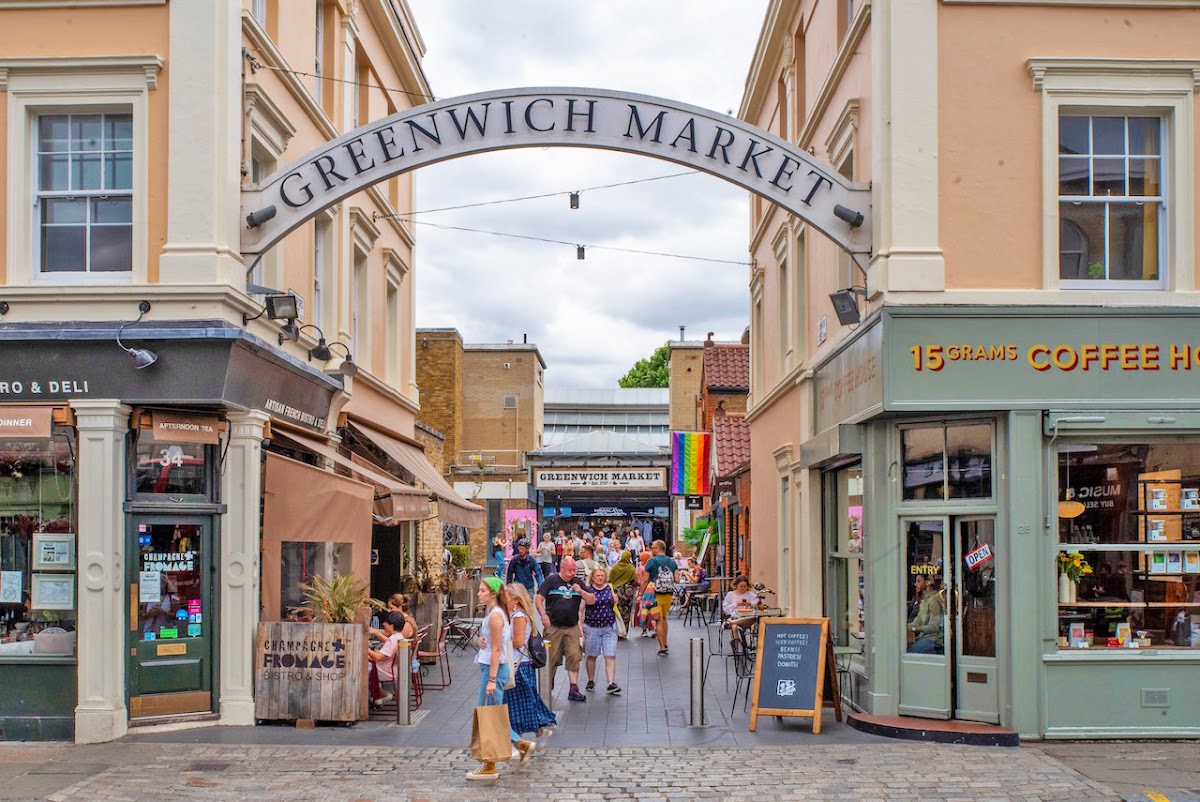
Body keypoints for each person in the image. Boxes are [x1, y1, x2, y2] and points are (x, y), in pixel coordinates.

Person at [467, 577, 533, 782]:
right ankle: (516, 747)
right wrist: (480, 640)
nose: (479, 593)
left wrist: (492, 679)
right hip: (491, 667)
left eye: (482, 590)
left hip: (493, 669)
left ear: (493, 593)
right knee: (489, 714)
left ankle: (491, 764)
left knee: (489, 715)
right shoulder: (494, 614)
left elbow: (497, 650)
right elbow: (495, 643)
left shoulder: (496, 615)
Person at [504, 583, 557, 751]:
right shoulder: (517, 614)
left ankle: (523, 740)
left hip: (520, 665)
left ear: (515, 599)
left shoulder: (519, 616)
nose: (504, 599)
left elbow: (518, 641)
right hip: (522, 665)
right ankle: (530, 737)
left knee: (519, 703)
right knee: (524, 702)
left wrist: (500, 640)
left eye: (506, 596)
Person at [535, 556, 596, 702]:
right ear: (562, 568)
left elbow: (592, 600)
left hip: (572, 627)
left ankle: (573, 688)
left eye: (574, 570)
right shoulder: (551, 581)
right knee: (552, 658)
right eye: (570, 570)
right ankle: (548, 685)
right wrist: (543, 614)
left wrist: (581, 591)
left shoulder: (577, 582)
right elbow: (538, 598)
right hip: (553, 627)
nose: (572, 573)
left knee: (574, 656)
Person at [582, 566, 621, 695]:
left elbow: (614, 603)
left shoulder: (609, 587)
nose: (600, 578)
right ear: (593, 577)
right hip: (592, 627)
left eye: (602, 576)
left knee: (610, 655)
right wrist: (579, 624)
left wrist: (615, 600)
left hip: (609, 626)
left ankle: (611, 682)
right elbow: (581, 608)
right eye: (597, 576)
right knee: (592, 655)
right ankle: (591, 680)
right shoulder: (588, 590)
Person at [642, 540, 678, 656]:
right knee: (664, 618)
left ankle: (662, 647)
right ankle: (665, 642)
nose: (651, 550)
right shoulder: (672, 562)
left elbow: (644, 580)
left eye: (653, 547)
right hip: (668, 593)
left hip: (655, 593)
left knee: (658, 619)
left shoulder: (651, 561)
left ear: (658, 548)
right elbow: (677, 579)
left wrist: (641, 594)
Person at [367, 611, 408, 707]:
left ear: (391, 626)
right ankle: (378, 697)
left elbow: (378, 657)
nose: (384, 624)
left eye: (386, 623)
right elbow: (388, 644)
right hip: (393, 669)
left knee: (362, 671)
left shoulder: (393, 639)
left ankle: (382, 695)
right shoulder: (399, 637)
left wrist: (365, 648)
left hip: (385, 671)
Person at [907, 574, 945, 654]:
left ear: (928, 582)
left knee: (909, 651)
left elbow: (934, 627)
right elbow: (918, 620)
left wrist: (914, 629)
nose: (915, 584)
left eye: (919, 581)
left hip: (935, 640)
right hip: (924, 637)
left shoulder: (934, 601)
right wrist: (905, 627)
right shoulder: (924, 600)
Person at [609, 551, 637, 633]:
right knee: (626, 611)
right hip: (627, 593)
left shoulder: (615, 567)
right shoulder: (631, 568)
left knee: (616, 611)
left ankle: (616, 630)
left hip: (616, 592)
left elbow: (610, 579)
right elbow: (634, 580)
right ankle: (624, 630)